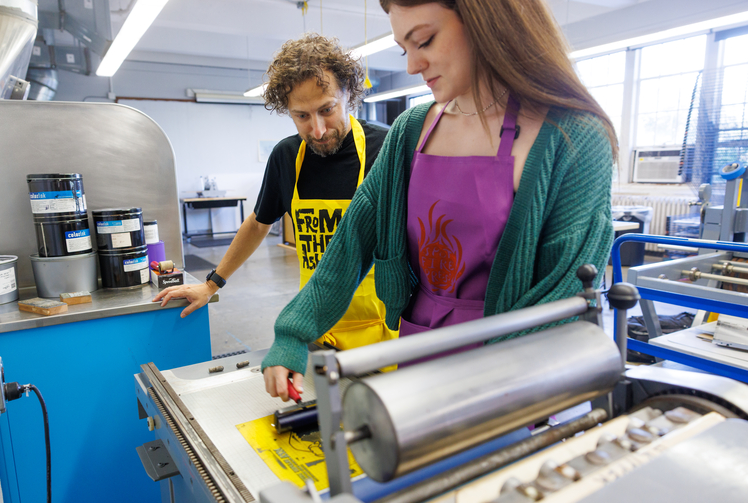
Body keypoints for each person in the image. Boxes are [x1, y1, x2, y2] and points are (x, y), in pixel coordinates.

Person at [261, 0, 619, 400]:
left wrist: (486, 388)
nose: (413, 65)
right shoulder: (412, 130)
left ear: (488, 22)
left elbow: (562, 290)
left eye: (425, 41)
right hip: (418, 345)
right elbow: (351, 242)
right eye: (404, 49)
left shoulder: (572, 136)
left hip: (515, 369)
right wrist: (293, 331)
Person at [154, 35, 398, 386]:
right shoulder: (287, 158)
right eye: (301, 116)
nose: (317, 129)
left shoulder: (387, 148)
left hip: (382, 334)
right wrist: (211, 285)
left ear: (349, 94)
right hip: (313, 328)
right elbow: (258, 223)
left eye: (327, 109)